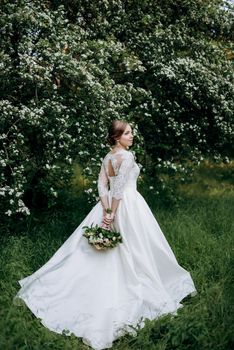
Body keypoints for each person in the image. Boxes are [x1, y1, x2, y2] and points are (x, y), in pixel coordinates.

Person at [14, 119, 197, 350]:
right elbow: (119, 189)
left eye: (132, 132)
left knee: (108, 251)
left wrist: (105, 208)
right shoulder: (127, 157)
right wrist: (111, 214)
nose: (132, 136)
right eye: (128, 133)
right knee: (134, 248)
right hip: (126, 206)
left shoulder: (108, 157)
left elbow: (103, 186)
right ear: (117, 136)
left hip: (106, 204)